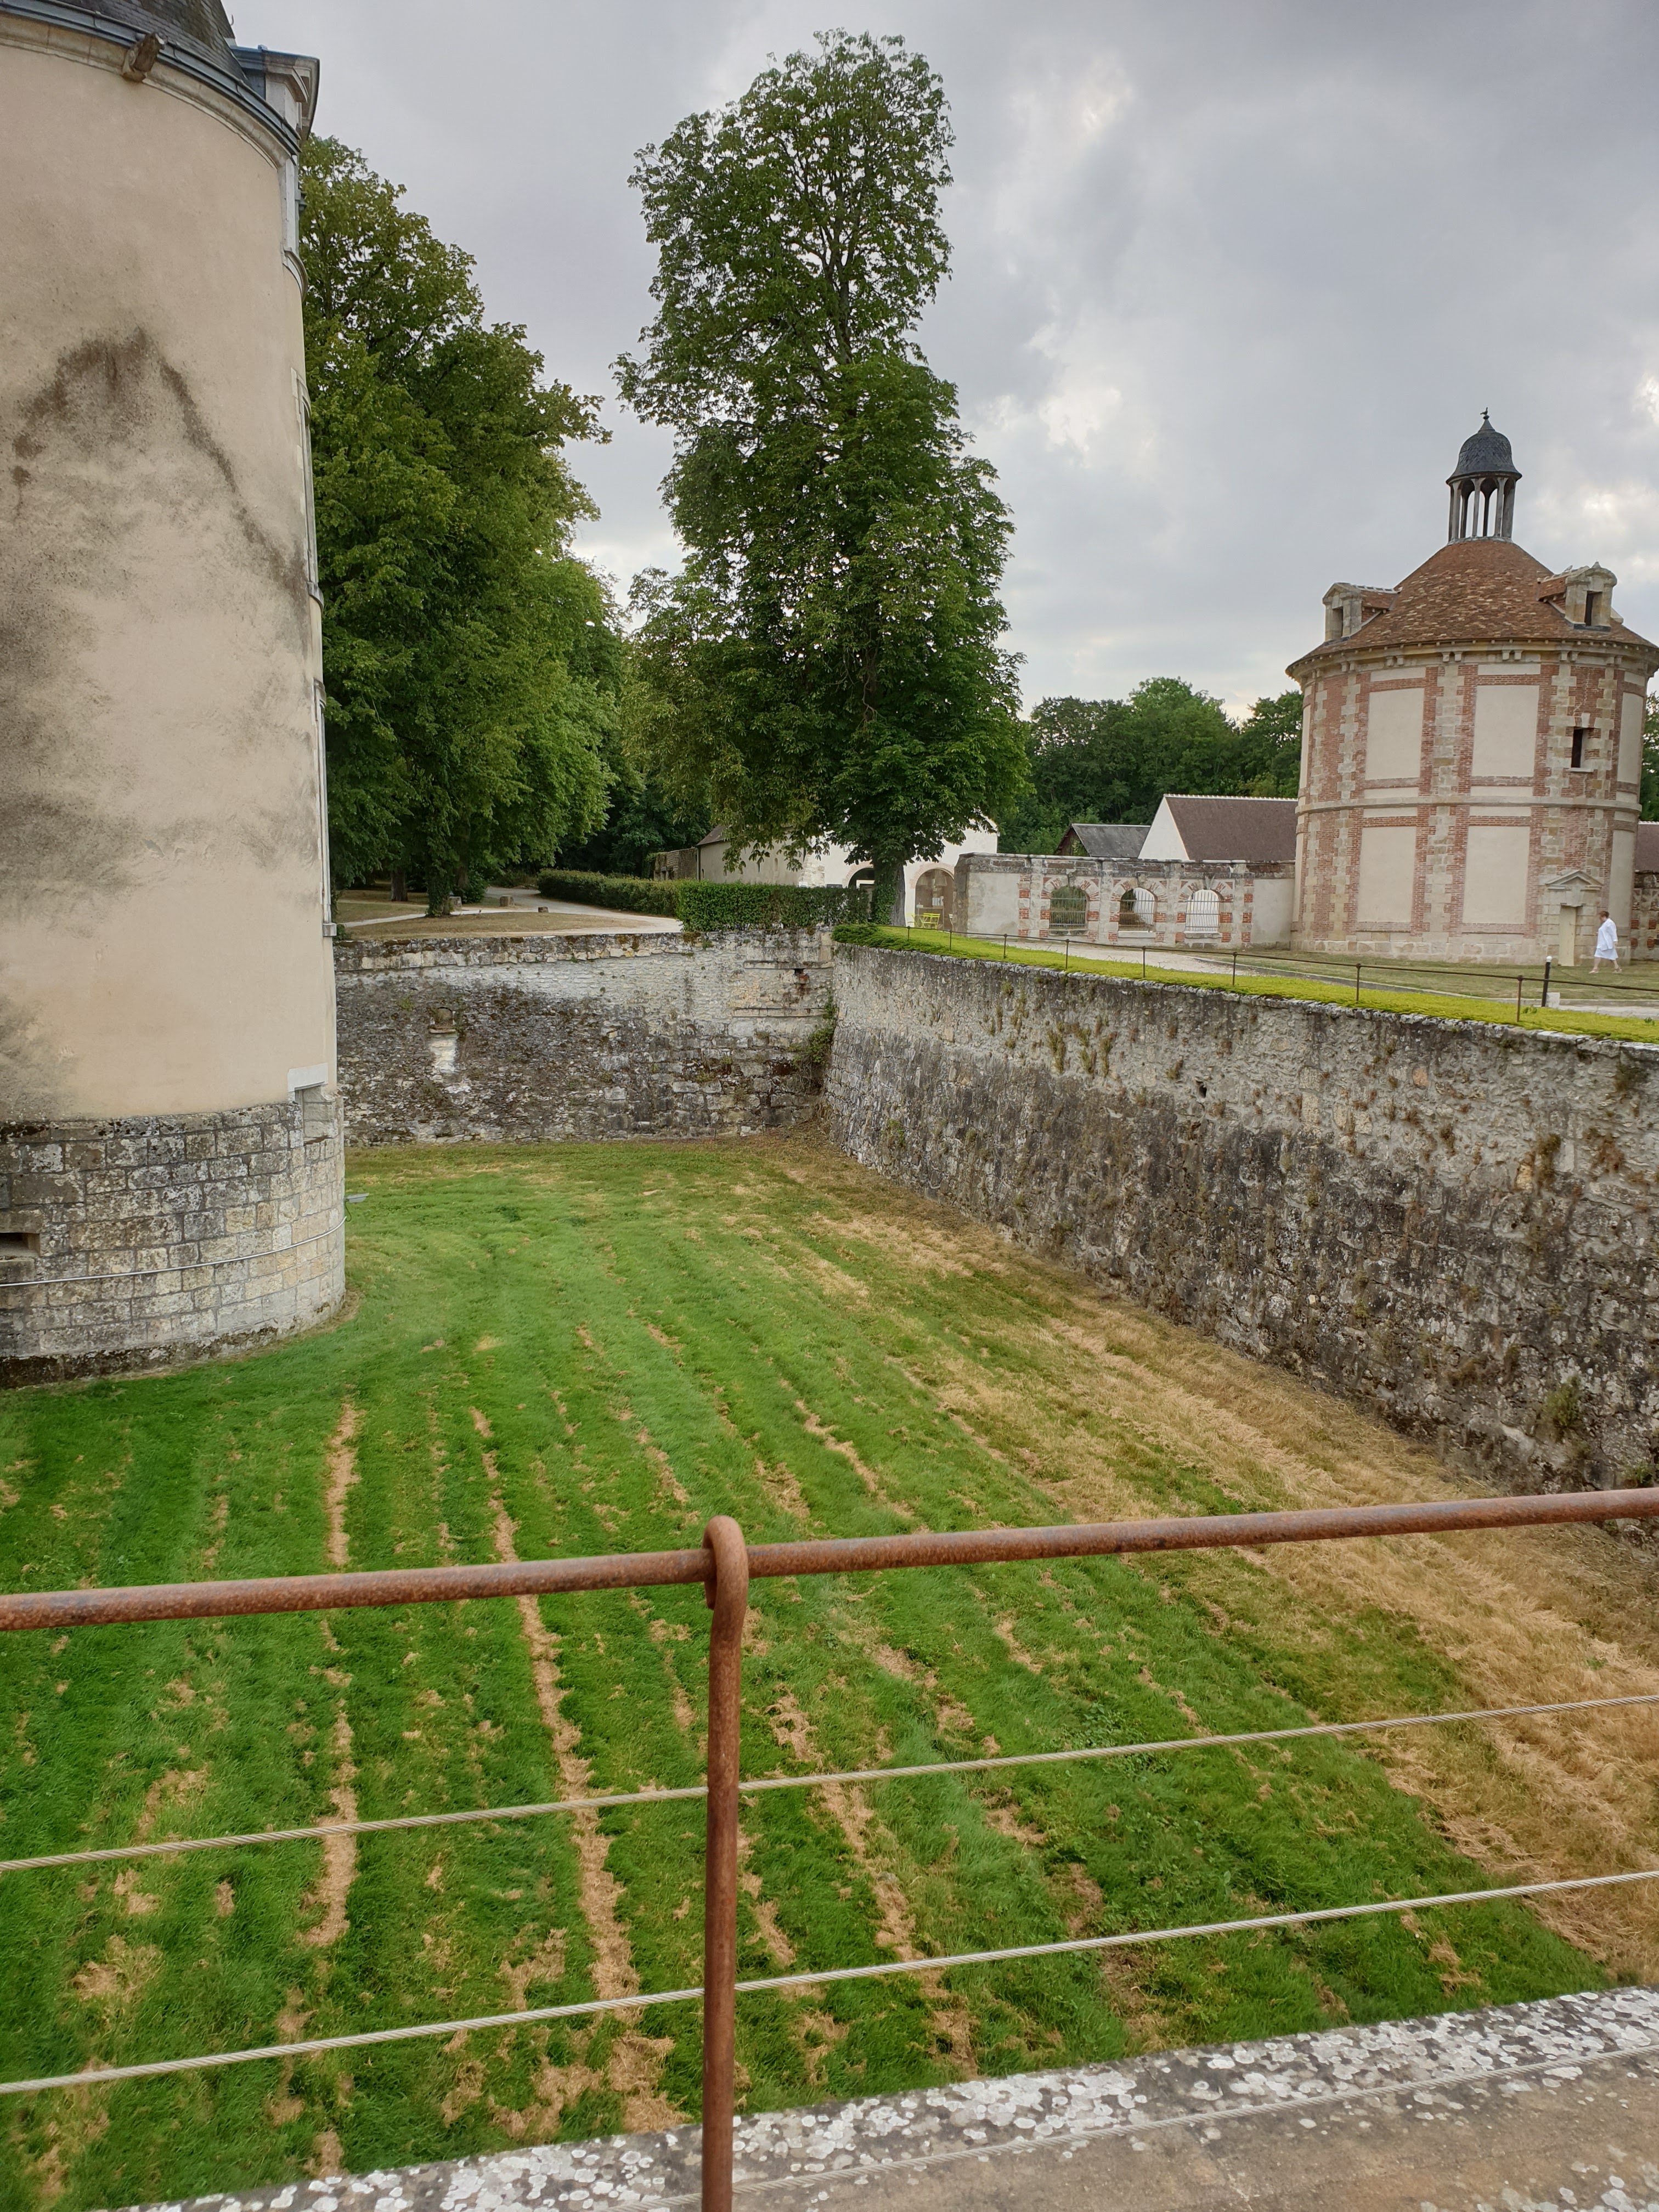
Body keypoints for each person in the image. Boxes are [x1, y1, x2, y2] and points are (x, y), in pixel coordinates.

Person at [1592, 910, 1620, 974]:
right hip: (1604, 943)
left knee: (1598, 955)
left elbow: (1613, 932)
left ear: (1604, 917)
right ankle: (1617, 968)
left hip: (1606, 943)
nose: (1600, 920)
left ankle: (1595, 969)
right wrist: (1598, 933)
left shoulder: (1610, 923)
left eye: (1600, 918)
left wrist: (1615, 941)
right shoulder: (1605, 924)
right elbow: (1605, 932)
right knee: (1612, 957)